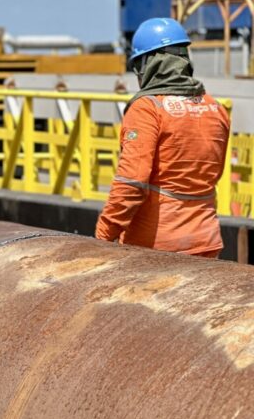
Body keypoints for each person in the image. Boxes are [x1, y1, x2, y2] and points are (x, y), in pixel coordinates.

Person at [96, 17, 230, 258]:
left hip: (156, 249)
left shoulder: (147, 108)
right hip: (207, 242)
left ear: (147, 64)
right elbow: (212, 174)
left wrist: (103, 236)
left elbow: (132, 182)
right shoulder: (215, 108)